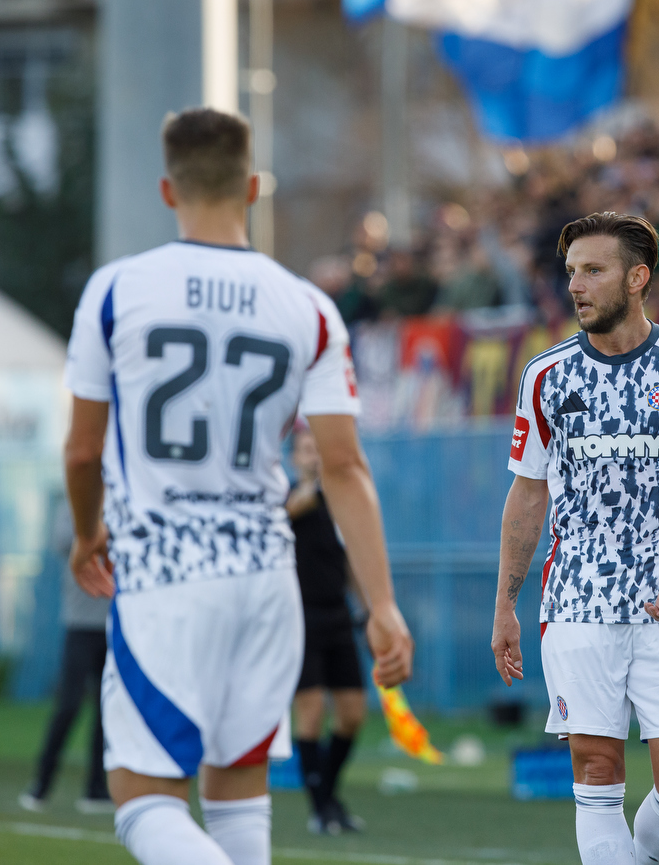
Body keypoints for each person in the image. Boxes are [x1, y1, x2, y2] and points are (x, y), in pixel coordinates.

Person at [63, 108, 414, 865]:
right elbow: (346, 467)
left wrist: (89, 529)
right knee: (238, 795)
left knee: (143, 800)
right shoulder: (311, 310)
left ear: (167, 190)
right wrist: (382, 604)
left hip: (165, 575)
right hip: (264, 578)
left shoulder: (117, 292)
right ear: (254, 187)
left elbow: (83, 450)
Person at [491, 212, 659, 865]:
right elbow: (527, 494)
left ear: (637, 278)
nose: (576, 285)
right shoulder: (546, 377)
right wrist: (505, 605)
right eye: (571, 271)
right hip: (576, 599)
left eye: (593, 270)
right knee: (597, 774)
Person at [285, 425, 367, 836]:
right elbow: (291, 509)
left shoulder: (336, 502)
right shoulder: (293, 498)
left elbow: (350, 557)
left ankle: (327, 798)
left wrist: (369, 611)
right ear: (294, 458)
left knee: (352, 713)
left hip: (337, 616)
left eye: (318, 449)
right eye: (304, 450)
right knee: (311, 713)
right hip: (301, 620)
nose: (313, 455)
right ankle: (322, 808)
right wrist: (317, 484)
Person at [22, 510, 112, 814]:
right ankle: (41, 785)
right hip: (80, 622)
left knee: (107, 712)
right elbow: (66, 541)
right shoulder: (75, 502)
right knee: (69, 705)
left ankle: (96, 790)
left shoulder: (128, 494)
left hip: (115, 623)